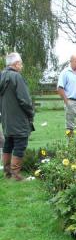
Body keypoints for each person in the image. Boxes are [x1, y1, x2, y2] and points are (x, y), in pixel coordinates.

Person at [0, 52, 34, 180]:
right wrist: (31, 113)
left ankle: (7, 172)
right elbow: (24, 100)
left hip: (6, 118)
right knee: (20, 143)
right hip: (18, 118)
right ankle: (16, 174)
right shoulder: (16, 77)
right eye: (21, 63)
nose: (22, 66)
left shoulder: (1, 76)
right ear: (16, 64)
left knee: (8, 143)